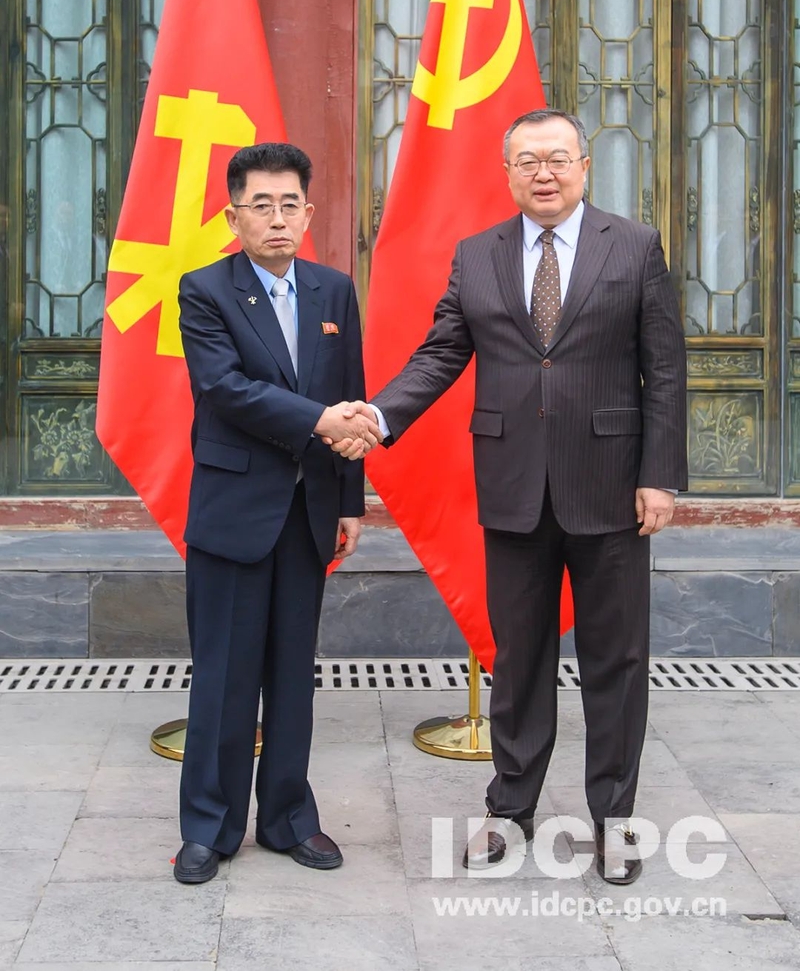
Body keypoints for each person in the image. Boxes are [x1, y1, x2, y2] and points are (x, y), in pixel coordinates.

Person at [336, 108, 687, 884]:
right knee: (518, 658)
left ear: (585, 166)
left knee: (616, 661)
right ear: (508, 172)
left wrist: (659, 474)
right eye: (528, 160)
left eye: (558, 158)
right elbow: (440, 355)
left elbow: (663, 368)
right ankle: (511, 807)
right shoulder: (478, 255)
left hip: (611, 491)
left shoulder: (632, 247)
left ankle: (615, 818)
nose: (544, 172)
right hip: (515, 489)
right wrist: (380, 416)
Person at [173, 141, 382, 885]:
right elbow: (225, 389)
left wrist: (352, 504)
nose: (277, 218)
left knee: (294, 675)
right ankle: (209, 826)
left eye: (290, 203)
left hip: (309, 511)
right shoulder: (205, 290)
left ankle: (289, 817)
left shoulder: (333, 290)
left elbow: (352, 391)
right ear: (234, 216)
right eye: (260, 205)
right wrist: (325, 420)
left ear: (309, 211)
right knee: (224, 675)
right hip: (234, 511)